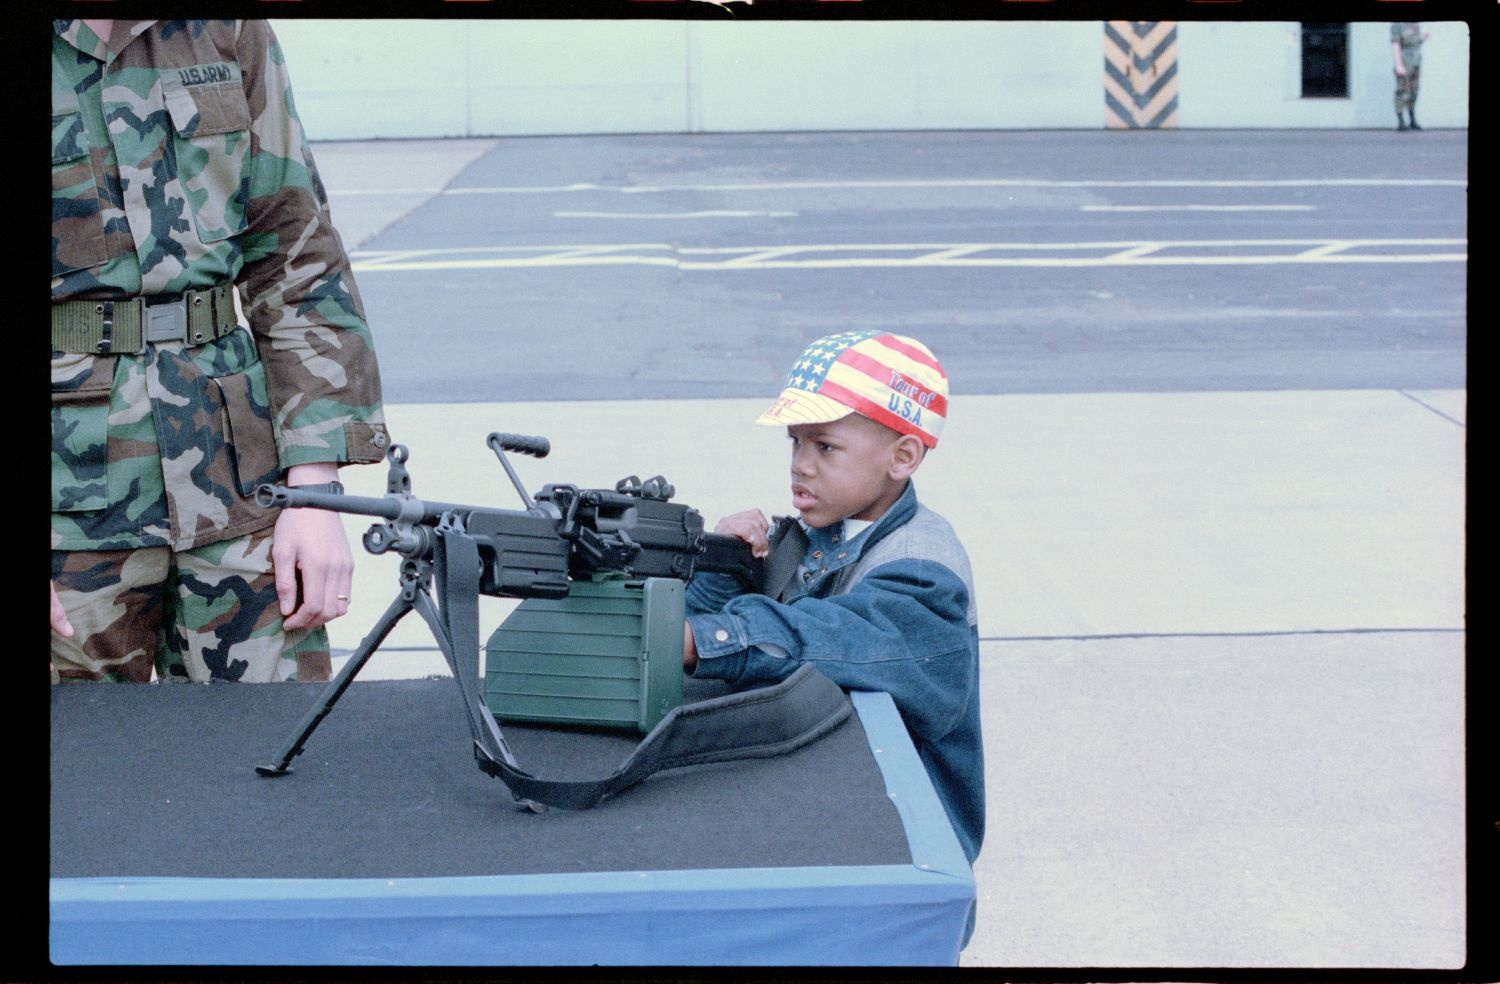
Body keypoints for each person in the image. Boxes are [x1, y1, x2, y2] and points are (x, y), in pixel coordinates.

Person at [51, 19, 391, 684]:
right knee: (76, 775)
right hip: (67, 511)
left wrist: (317, 493)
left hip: (240, 485)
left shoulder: (227, 27)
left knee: (273, 753)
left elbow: (297, 254)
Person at [681, 331, 984, 866]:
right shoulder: (808, 537)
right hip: (837, 809)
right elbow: (688, 653)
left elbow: (843, 637)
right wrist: (719, 565)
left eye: (825, 446)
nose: (801, 463)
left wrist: (719, 635)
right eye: (795, 442)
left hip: (910, 849)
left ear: (903, 456)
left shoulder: (923, 568)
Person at [1391, 22, 1429, 132]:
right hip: (1404, 62)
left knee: (1414, 91)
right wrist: (1398, 65)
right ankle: (1401, 121)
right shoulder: (1397, 25)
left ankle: (1412, 120)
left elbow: (1415, 43)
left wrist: (1422, 38)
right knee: (1402, 90)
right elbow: (1396, 45)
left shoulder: (1415, 25)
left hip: (1416, 62)